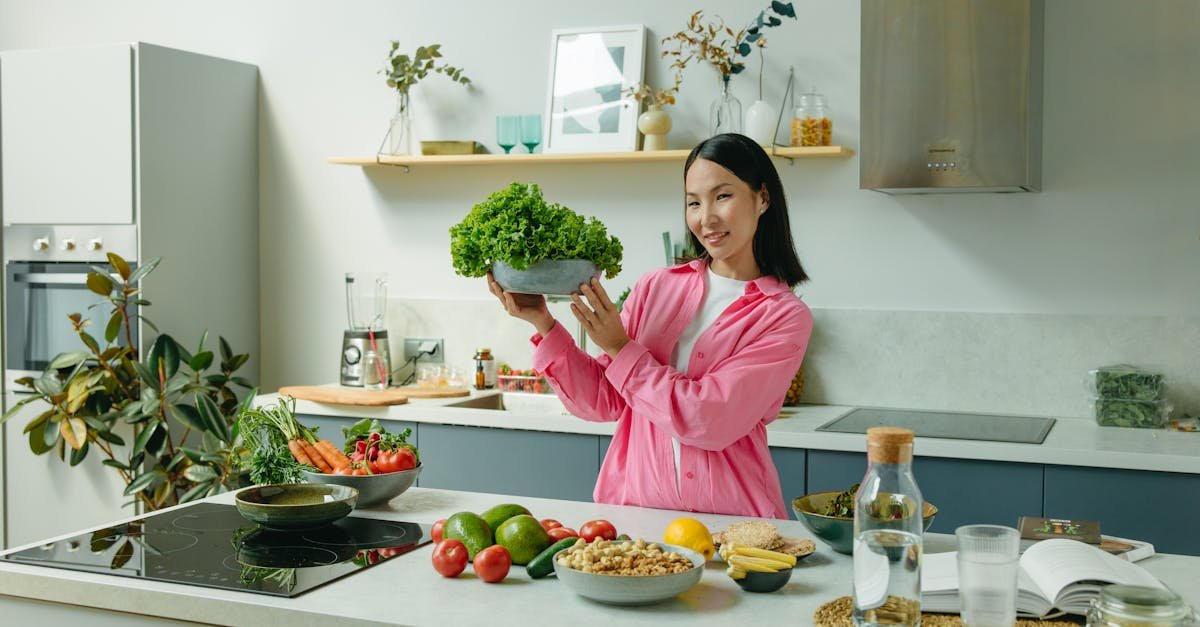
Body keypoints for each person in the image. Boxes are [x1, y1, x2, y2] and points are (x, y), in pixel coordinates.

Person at [487, 133, 812, 519]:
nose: (705, 218)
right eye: (693, 202)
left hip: (733, 528)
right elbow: (605, 401)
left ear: (762, 198)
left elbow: (709, 418)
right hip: (638, 522)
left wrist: (622, 350)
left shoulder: (782, 315)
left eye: (722, 196)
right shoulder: (656, 287)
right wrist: (541, 320)